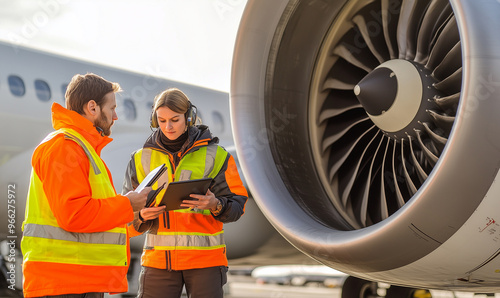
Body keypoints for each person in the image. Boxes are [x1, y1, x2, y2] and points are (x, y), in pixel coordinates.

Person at [21, 73, 150, 298]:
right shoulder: (65, 147)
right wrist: (127, 204)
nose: (116, 116)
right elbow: (74, 215)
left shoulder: (80, 147)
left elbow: (93, 221)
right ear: (92, 107)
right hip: (65, 284)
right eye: (112, 108)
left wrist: (137, 217)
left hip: (75, 282)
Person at [122, 87, 248, 298]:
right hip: (158, 264)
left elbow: (238, 206)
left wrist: (215, 204)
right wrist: (142, 216)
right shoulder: (139, 159)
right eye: (161, 121)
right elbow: (125, 216)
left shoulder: (217, 156)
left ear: (189, 118)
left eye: (174, 119)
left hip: (205, 264)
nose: (168, 126)